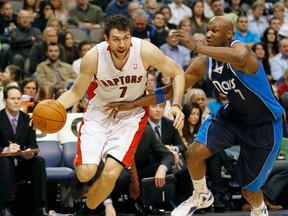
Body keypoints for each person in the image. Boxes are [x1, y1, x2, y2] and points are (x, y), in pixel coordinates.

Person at [105, 16, 284, 216]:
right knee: (193, 154)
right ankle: (201, 195)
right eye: (207, 29)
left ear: (228, 35)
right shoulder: (204, 63)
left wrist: (197, 47)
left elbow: (240, 57)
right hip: (233, 116)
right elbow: (172, 89)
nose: (208, 34)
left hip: (264, 125)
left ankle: (260, 209)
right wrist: (134, 103)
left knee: (249, 192)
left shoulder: (244, 54)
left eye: (214, 31)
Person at [33, 14, 185, 215]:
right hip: (99, 114)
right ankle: (79, 181)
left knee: (111, 174)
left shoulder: (145, 51)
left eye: (126, 38)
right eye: (116, 39)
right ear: (106, 39)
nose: (122, 44)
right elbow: (76, 92)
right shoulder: (94, 57)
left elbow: (177, 73)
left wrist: (176, 104)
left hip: (131, 116)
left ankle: (85, 213)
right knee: (87, 172)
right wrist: (49, 110)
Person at [0, 85, 47, 216]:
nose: (16, 101)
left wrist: (29, 152)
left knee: (39, 161)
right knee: (4, 161)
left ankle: (41, 207)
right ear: (5, 101)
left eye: (18, 98)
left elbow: (33, 144)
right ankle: (5, 208)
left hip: (21, 163)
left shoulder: (28, 119)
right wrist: (5, 149)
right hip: (3, 165)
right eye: (12, 98)